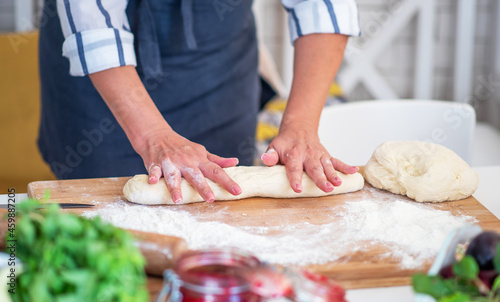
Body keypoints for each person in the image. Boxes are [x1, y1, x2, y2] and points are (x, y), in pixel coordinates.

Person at [38, 0, 361, 204]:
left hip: (216, 58)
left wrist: (300, 125)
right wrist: (152, 135)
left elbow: (322, 7)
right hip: (106, 80)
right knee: (107, 214)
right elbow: (94, 22)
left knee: (218, 203)